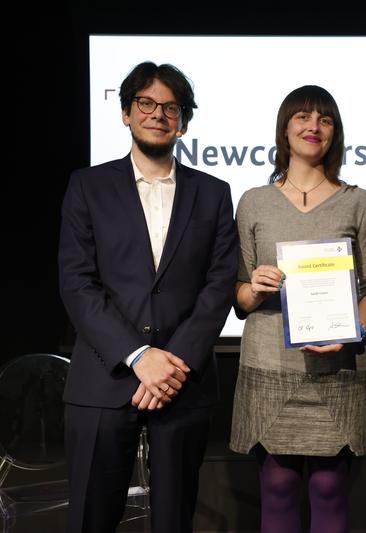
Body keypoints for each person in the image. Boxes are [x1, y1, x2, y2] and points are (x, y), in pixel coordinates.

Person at [58, 62, 238, 532]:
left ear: (184, 120)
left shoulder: (214, 193)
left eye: (170, 107)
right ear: (126, 113)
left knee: (174, 520)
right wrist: (139, 356)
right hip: (104, 380)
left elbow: (219, 285)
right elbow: (77, 283)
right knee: (90, 520)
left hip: (183, 383)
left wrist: (171, 363)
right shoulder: (87, 186)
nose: (158, 114)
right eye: (146, 103)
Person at [230, 85, 366, 533]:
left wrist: (354, 326)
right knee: (277, 486)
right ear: (285, 129)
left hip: (337, 368)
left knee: (328, 488)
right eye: (302, 117)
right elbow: (238, 294)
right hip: (269, 367)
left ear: (335, 133)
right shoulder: (253, 202)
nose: (313, 127)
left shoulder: (357, 201)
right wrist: (255, 288)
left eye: (325, 119)